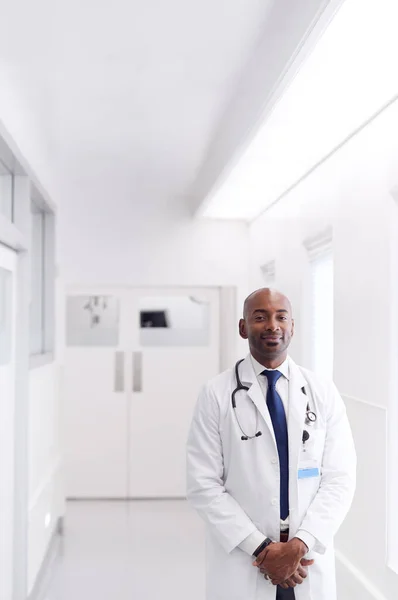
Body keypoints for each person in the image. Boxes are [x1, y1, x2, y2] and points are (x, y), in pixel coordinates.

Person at [186, 288, 356, 600]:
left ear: (293, 326)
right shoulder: (215, 394)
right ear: (242, 327)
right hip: (245, 554)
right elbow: (203, 484)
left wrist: (299, 544)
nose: (272, 325)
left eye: (281, 317)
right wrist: (263, 550)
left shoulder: (322, 392)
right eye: (260, 317)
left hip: (306, 557)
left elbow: (339, 478)